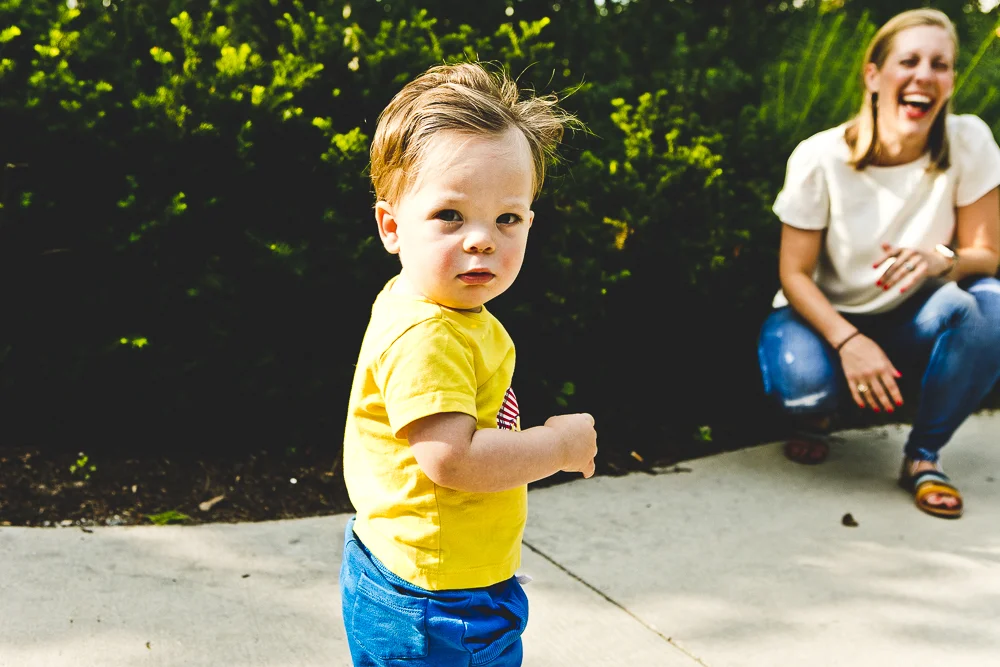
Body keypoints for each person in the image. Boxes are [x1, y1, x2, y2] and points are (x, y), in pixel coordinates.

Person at [339, 61, 597, 665]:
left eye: (507, 218)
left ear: (530, 221)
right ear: (391, 226)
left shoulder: (434, 305)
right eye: (450, 215)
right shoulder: (430, 333)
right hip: (437, 600)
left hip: (423, 572)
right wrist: (556, 447)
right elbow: (451, 458)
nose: (482, 238)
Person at [757, 8, 1000, 520]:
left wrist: (942, 260)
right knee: (803, 389)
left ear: (952, 79)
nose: (925, 76)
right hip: (820, 320)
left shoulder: (969, 140)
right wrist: (848, 340)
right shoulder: (819, 156)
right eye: (909, 61)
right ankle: (816, 417)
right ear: (874, 75)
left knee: (987, 304)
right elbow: (793, 274)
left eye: (941, 64)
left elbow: (987, 256)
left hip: (916, 317)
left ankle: (923, 456)